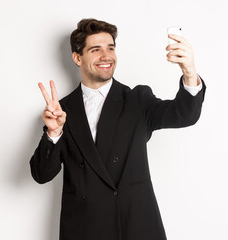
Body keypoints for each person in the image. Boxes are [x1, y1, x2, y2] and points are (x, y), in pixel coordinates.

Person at [30, 18, 206, 240]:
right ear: (77, 58)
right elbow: (41, 175)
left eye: (110, 48)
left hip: (134, 228)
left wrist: (189, 73)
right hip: (84, 230)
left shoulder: (137, 100)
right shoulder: (61, 111)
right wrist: (53, 133)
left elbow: (185, 114)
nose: (106, 56)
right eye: (95, 50)